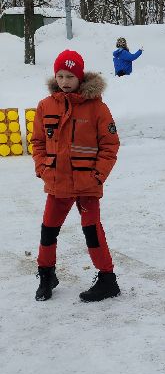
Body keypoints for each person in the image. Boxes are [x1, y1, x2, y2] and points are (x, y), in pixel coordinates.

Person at [31, 49, 121, 303]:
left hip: (86, 185)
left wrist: (97, 176)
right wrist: (42, 167)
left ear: (80, 77)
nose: (65, 81)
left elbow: (110, 146)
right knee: (48, 231)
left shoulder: (97, 108)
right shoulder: (45, 106)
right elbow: (37, 141)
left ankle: (107, 280)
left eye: (70, 75)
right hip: (57, 184)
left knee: (92, 231)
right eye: (60, 75)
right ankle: (46, 275)